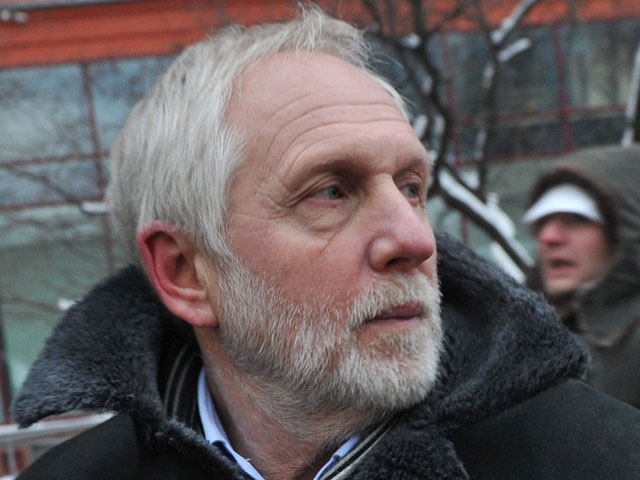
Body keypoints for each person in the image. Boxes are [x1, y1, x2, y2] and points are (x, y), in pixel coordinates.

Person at [13, 7, 640, 480]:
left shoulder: (598, 457)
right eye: (332, 192)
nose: (416, 239)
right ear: (187, 273)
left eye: (411, 187)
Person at [524, 144, 640, 409]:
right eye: (542, 221)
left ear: (625, 230)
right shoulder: (520, 329)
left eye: (576, 219)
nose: (549, 236)